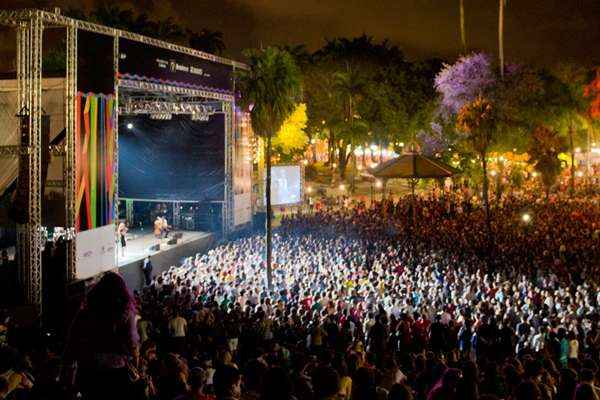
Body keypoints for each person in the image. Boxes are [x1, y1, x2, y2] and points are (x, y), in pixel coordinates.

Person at [62, 272, 139, 400]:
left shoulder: (84, 314)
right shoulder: (125, 314)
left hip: (88, 372)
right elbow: (132, 344)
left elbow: (71, 345)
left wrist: (66, 375)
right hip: (116, 373)